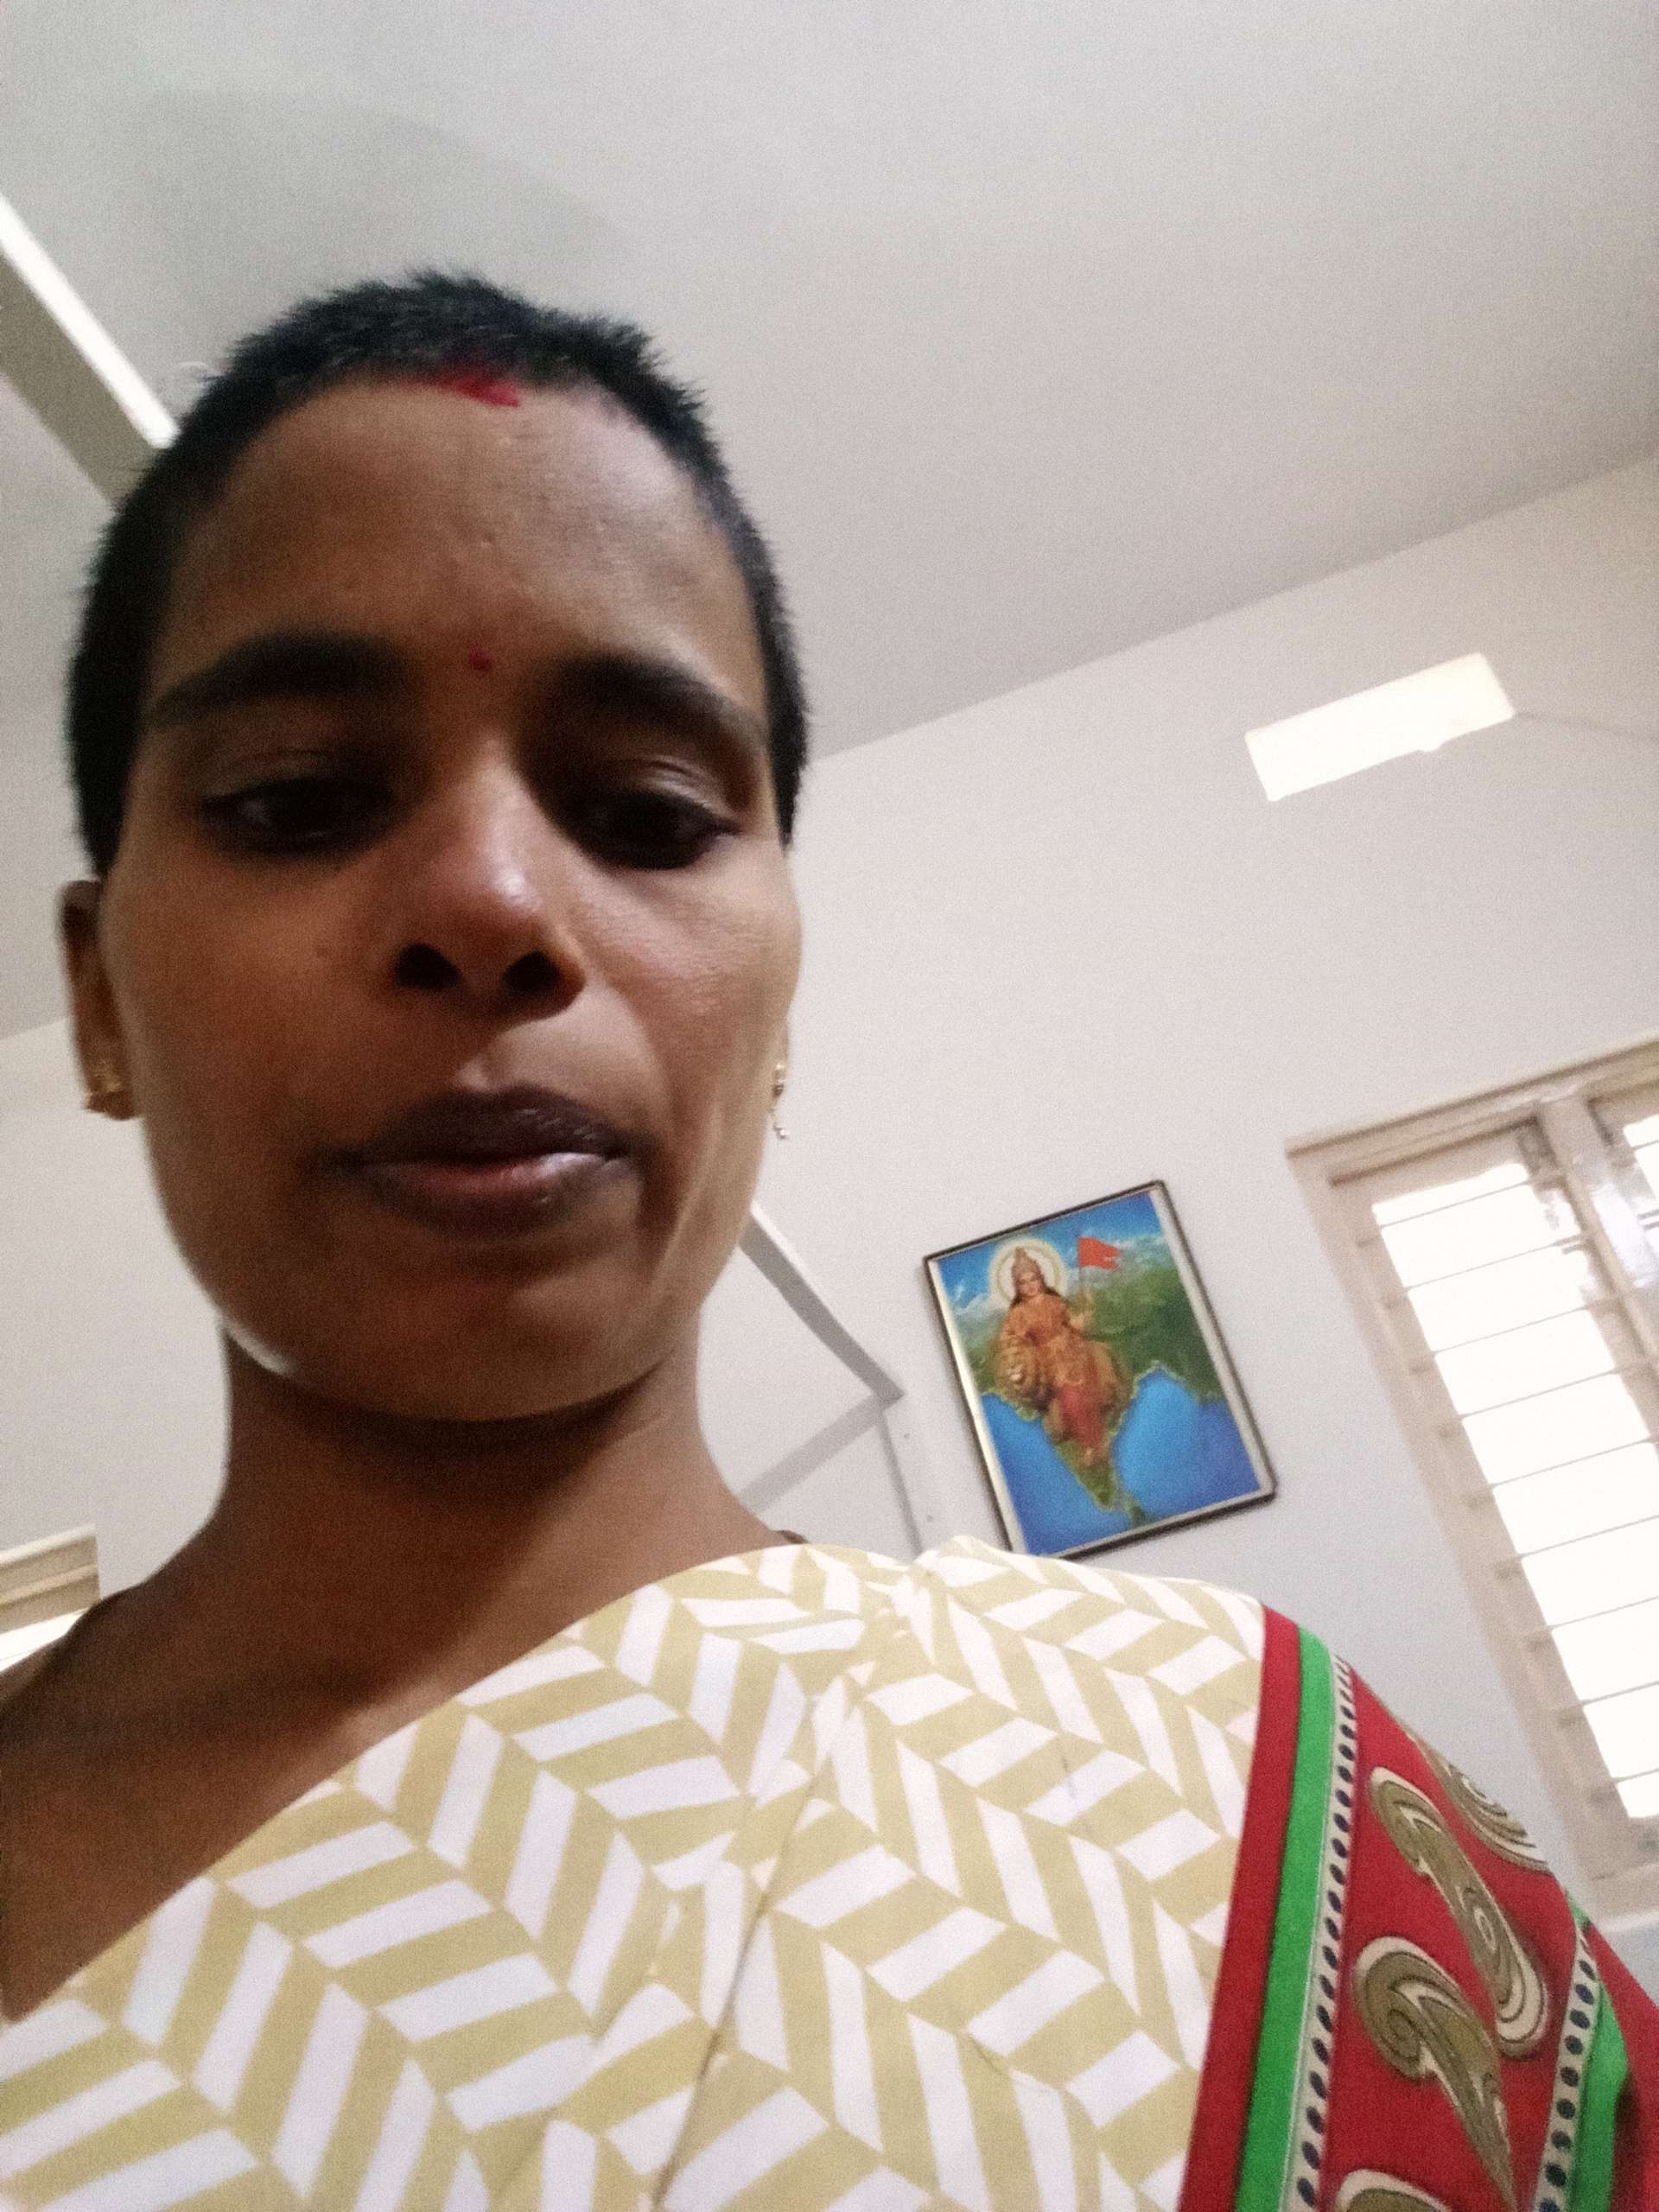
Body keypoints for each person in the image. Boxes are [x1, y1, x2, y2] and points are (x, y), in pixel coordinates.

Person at [0, 274, 1652, 2210]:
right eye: (295, 800)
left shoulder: (1230, 1775)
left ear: (778, 1003)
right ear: (97, 1001)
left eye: (647, 810)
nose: (489, 899)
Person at [995, 1249, 1125, 1471]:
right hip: (1046, 1363)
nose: (1030, 1286)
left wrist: (1084, 1315)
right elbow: (1010, 1342)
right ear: (1017, 1287)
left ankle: (1101, 1442)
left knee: (1090, 1392)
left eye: (1033, 1279)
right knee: (1071, 1400)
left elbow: (1073, 1324)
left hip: (1074, 1351)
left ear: (1041, 1279)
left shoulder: (1054, 1302)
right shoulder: (1017, 1314)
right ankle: (1088, 1446)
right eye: (1024, 1282)